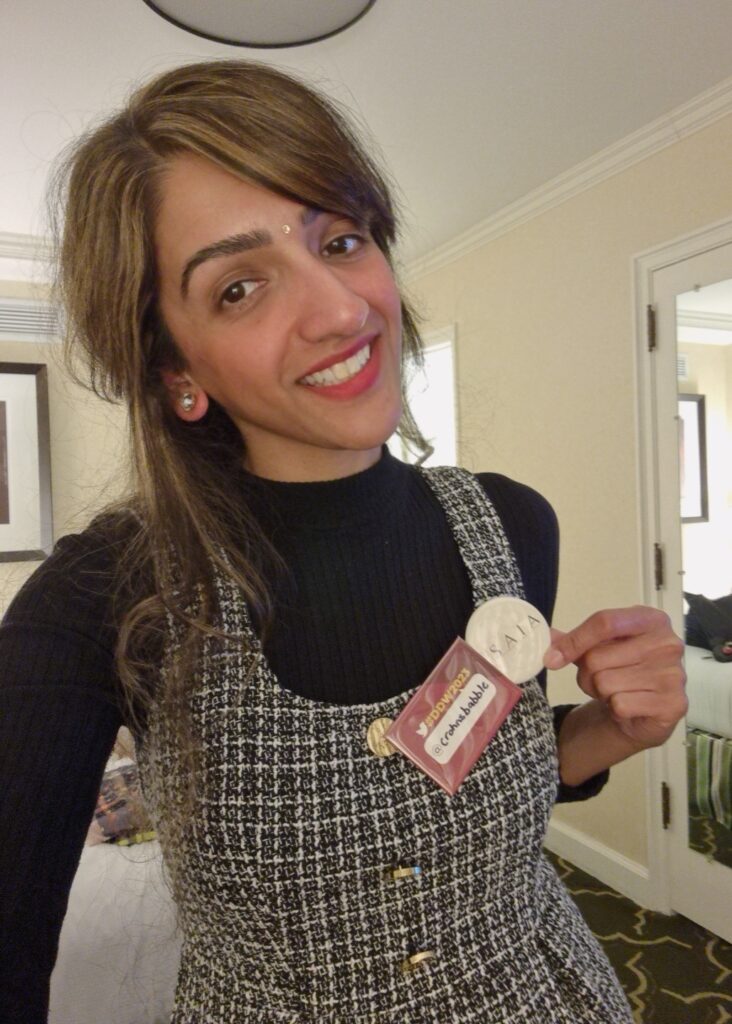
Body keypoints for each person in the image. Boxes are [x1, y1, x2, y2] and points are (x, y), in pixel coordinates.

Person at [0, 60, 686, 1023]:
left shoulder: (514, 525)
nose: (340, 309)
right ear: (172, 371)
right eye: (240, 287)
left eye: (343, 238)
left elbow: (478, 780)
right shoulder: (107, 592)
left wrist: (605, 734)